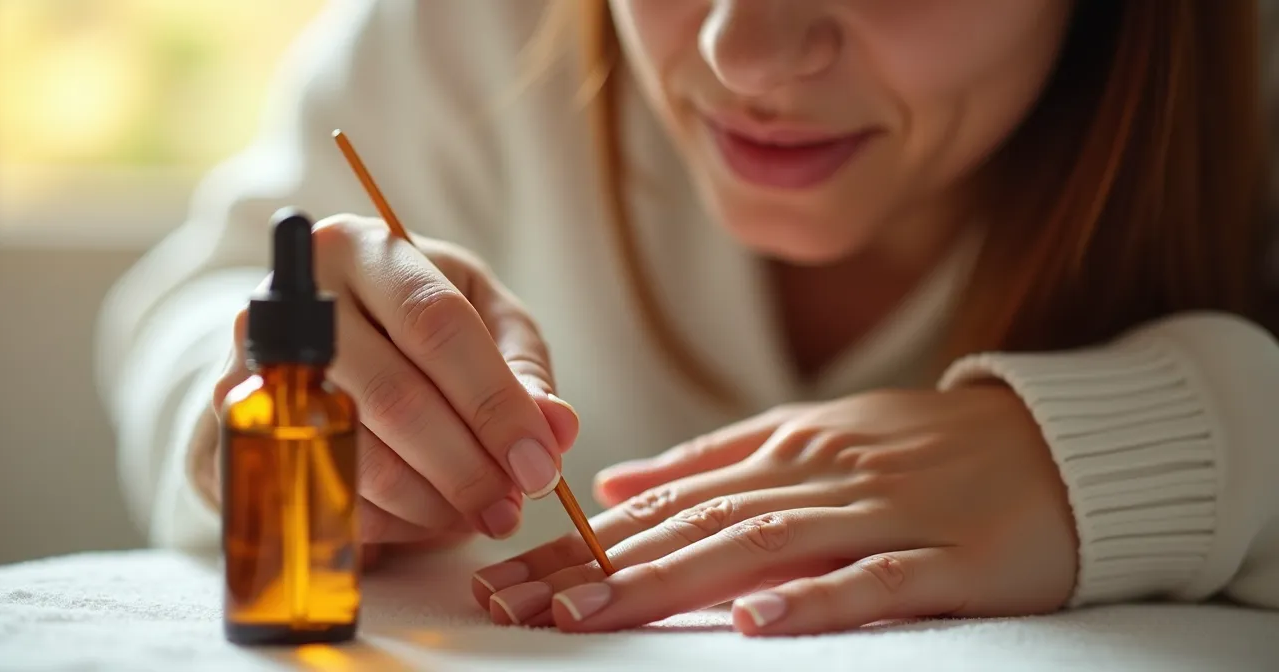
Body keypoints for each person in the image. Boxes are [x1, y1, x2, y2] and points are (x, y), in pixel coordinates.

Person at [97, 0, 1279, 636]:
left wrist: (1157, 443)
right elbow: (187, 309)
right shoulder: (463, 38)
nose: (742, 52)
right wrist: (260, 409)